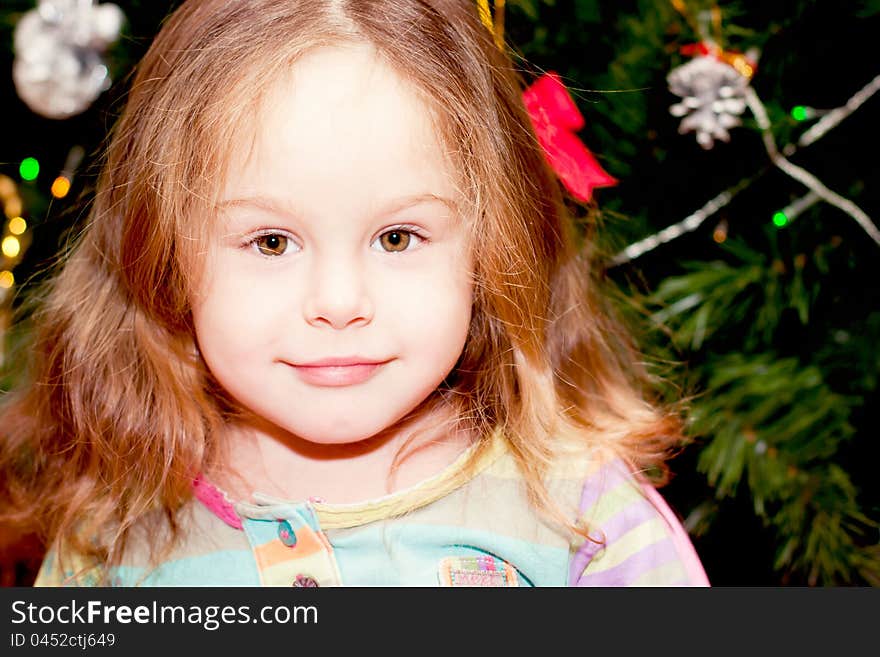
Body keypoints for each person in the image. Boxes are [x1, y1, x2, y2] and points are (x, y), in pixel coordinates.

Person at [0, 0, 708, 587]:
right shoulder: (115, 534)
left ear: (492, 248)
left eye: (397, 237)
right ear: (163, 253)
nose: (339, 303)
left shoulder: (580, 513)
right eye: (271, 242)